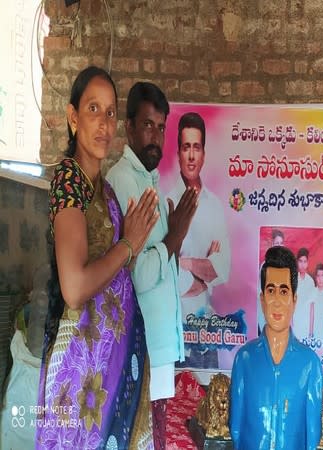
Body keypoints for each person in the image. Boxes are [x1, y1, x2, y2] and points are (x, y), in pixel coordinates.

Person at [37, 66, 158, 449]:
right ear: (73, 118)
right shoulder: (69, 181)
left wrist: (132, 245)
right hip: (81, 374)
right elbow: (75, 289)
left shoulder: (102, 189)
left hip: (109, 364)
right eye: (93, 109)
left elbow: (117, 271)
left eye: (110, 112)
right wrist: (128, 244)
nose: (104, 123)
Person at [106, 82, 198, 449]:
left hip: (157, 346)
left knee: (153, 438)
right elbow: (135, 276)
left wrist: (173, 240)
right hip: (139, 347)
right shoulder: (122, 183)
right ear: (129, 127)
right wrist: (174, 238)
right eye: (147, 125)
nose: (155, 137)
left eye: (161, 128)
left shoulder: (150, 182)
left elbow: (161, 266)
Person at [230, 246, 323, 450]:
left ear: (294, 300)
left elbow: (313, 433)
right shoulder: (245, 359)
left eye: (284, 291)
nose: (278, 302)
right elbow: (235, 426)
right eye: (271, 291)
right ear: (262, 299)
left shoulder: (309, 364)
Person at [167, 112, 231, 368]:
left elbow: (223, 269)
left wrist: (187, 264)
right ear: (178, 153)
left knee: (206, 405)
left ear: (204, 153)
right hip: (174, 332)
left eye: (196, 147)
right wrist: (205, 271)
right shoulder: (167, 200)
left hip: (207, 333)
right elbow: (169, 274)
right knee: (173, 407)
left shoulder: (215, 206)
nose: (191, 155)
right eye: (186, 148)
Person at [257, 228, 285, 334]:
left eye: (281, 243)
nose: (279, 246)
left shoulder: (287, 265)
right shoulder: (265, 265)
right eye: (277, 243)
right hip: (267, 308)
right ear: (272, 244)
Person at [291, 247, 315, 341]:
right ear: (297, 262)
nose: (302, 264)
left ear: (308, 263)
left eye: (305, 261)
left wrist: (311, 330)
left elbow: (312, 307)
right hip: (294, 324)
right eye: (300, 261)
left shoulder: (311, 282)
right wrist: (290, 323)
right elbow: (290, 303)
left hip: (306, 325)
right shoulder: (293, 280)